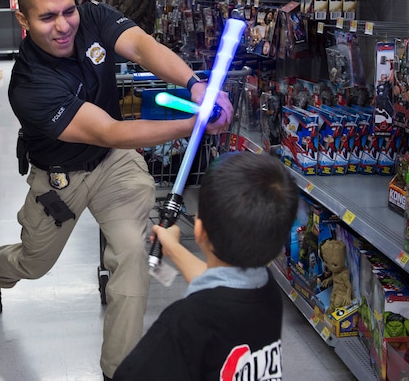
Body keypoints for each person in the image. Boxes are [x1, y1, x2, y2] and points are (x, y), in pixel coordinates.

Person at [0, 0, 234, 380]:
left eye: (68, 11)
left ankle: (121, 371)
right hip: (60, 179)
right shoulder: (28, 84)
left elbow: (144, 48)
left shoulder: (91, 15)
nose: (63, 26)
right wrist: (193, 123)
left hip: (114, 164)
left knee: (133, 253)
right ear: (22, 19)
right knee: (34, 262)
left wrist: (195, 84)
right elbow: (110, 130)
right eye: (47, 17)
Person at [114, 151, 299, 381]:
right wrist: (172, 247)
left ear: (199, 229)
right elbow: (222, 288)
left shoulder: (184, 321)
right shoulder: (267, 290)